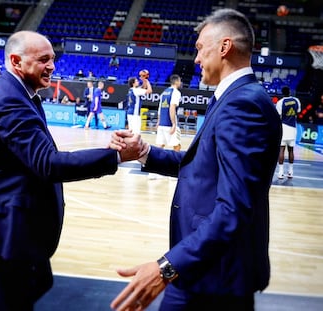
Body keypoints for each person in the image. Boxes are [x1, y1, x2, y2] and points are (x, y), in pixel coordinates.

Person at [110, 9, 282, 311]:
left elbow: (233, 209)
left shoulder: (243, 104)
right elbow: (202, 168)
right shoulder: (235, 98)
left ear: (224, 47)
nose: (196, 58)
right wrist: (145, 152)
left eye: (201, 48)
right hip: (206, 269)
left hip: (213, 276)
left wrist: (166, 267)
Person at [0, 30, 144, 311]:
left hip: (14, 226)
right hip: (2, 230)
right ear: (16, 61)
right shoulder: (10, 101)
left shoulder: (21, 94)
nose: (52, 66)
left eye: (53, 59)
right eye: (44, 59)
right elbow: (48, 164)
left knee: (37, 284)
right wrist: (115, 156)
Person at [275, 86, 301, 179]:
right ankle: (290, 172)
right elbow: (298, 111)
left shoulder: (280, 102)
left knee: (281, 150)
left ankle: (281, 173)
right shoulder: (296, 100)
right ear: (290, 91)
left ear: (282, 93)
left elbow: (278, 116)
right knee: (291, 150)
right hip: (293, 128)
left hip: (284, 128)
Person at [155, 74, 182, 152]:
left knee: (160, 146)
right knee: (177, 146)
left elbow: (160, 108)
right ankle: (176, 163)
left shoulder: (164, 92)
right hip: (169, 124)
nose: (180, 83)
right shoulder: (176, 92)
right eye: (179, 81)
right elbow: (172, 107)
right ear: (176, 81)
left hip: (161, 124)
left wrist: (158, 121)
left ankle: (154, 162)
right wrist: (173, 124)